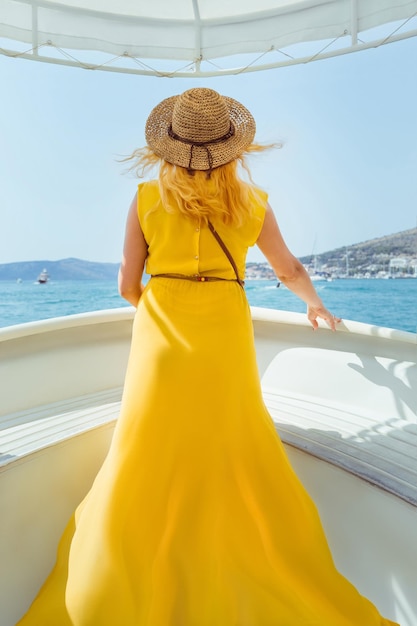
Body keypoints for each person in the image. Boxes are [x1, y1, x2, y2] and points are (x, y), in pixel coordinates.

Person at [17, 87, 398, 626]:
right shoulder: (253, 202)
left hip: (162, 329)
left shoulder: (148, 198)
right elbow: (288, 270)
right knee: (229, 433)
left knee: (148, 441)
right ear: (233, 148)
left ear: (168, 146)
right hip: (224, 329)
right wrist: (315, 305)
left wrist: (165, 306)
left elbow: (128, 284)